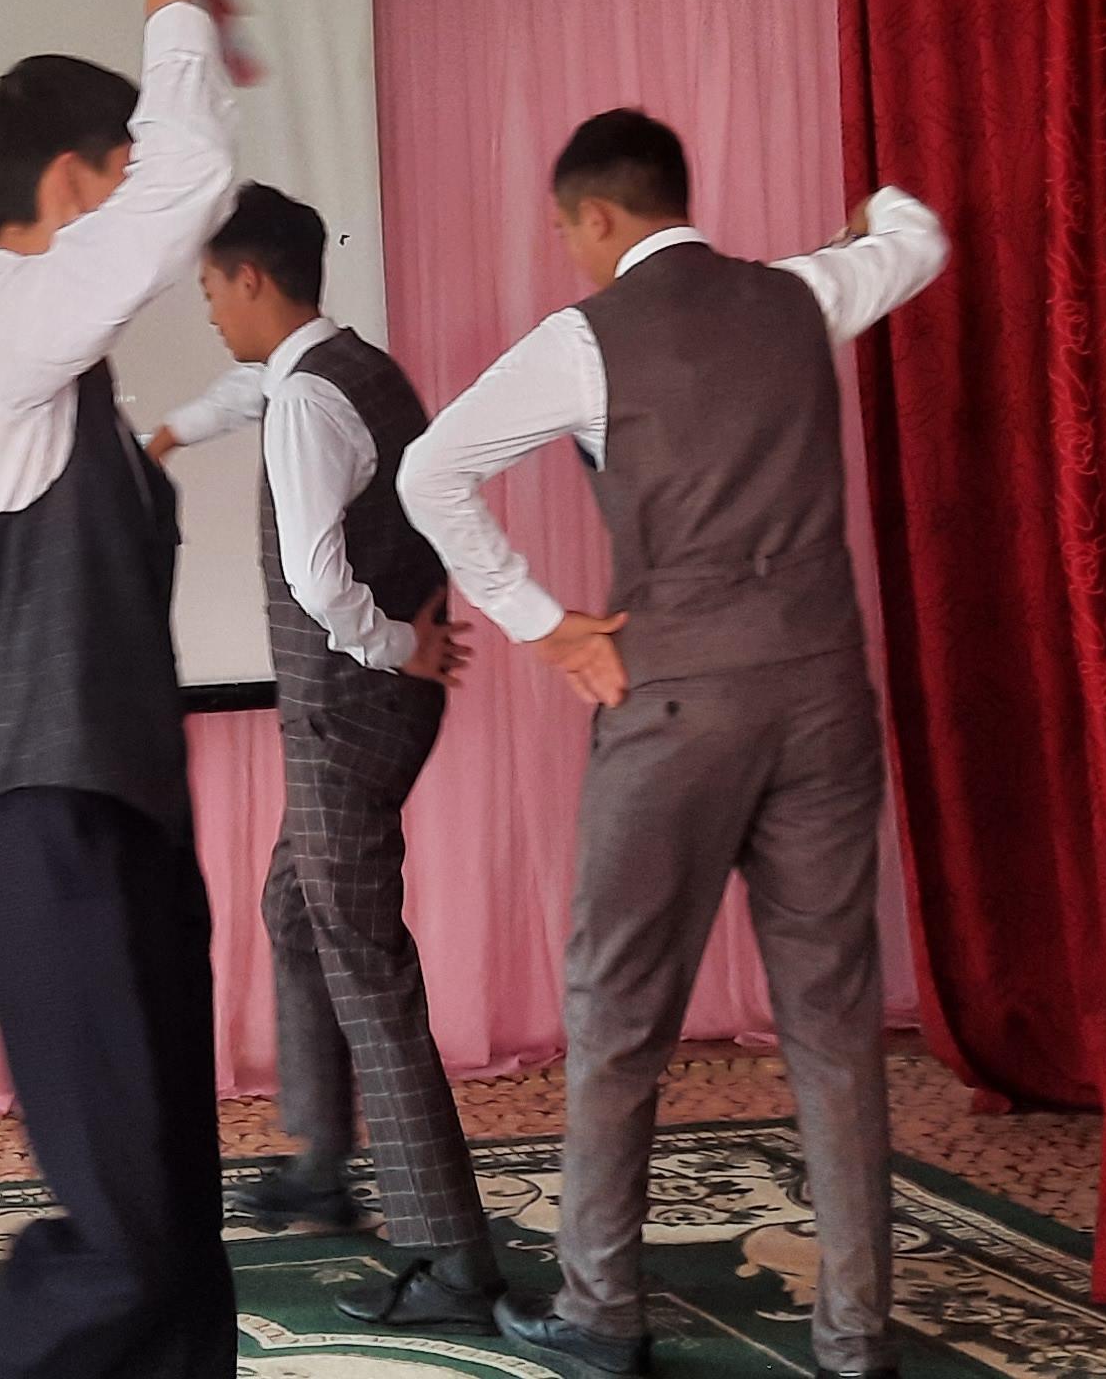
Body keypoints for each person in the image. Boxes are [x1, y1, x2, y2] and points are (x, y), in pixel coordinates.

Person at [394, 109, 946, 1379]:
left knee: (618, 1009)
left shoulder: (582, 339)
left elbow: (430, 472)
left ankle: (602, 1313)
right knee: (832, 1019)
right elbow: (917, 241)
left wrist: (545, 627)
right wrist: (870, 216)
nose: (570, 253)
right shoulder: (804, 293)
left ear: (596, 216)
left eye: (566, 231)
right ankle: (855, 1340)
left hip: (676, 704)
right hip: (822, 694)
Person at [0, 0, 248, 1379]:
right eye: (121, 173)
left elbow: (44, 564)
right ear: (71, 182)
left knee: (176, 1235)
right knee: (119, 1244)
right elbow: (189, 186)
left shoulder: (59, 379)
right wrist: (173, 8)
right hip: (54, 824)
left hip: (122, 812)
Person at [142, 182, 498, 1328]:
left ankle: (449, 1255)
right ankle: (317, 1166)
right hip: (378, 706)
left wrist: (396, 646)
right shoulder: (347, 368)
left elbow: (315, 580)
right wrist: (167, 432)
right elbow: (245, 390)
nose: (208, 311)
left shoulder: (306, 402)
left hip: (348, 711)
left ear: (251, 279)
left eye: (210, 290)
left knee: (361, 959)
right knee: (294, 909)